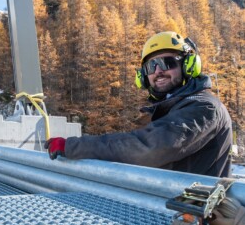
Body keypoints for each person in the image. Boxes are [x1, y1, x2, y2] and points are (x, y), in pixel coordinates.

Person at [45, 31, 232, 177]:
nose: (158, 71)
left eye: (167, 62)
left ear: (188, 65)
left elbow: (149, 147)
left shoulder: (204, 107)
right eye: (151, 66)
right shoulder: (171, 109)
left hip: (201, 219)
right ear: (143, 76)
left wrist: (73, 146)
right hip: (177, 208)